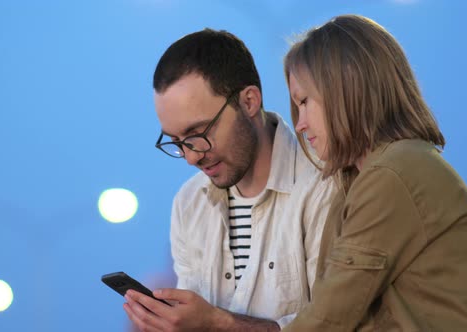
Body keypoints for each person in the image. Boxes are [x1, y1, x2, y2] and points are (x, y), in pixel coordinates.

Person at [281, 14, 467, 331]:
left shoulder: (392, 174)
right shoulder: (367, 177)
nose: (300, 125)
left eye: (304, 101)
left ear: (346, 88)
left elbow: (328, 319)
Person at [122, 28, 334, 331]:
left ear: (249, 102)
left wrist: (218, 324)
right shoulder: (189, 202)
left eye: (198, 134)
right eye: (176, 141)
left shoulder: (324, 184)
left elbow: (337, 324)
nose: (191, 156)